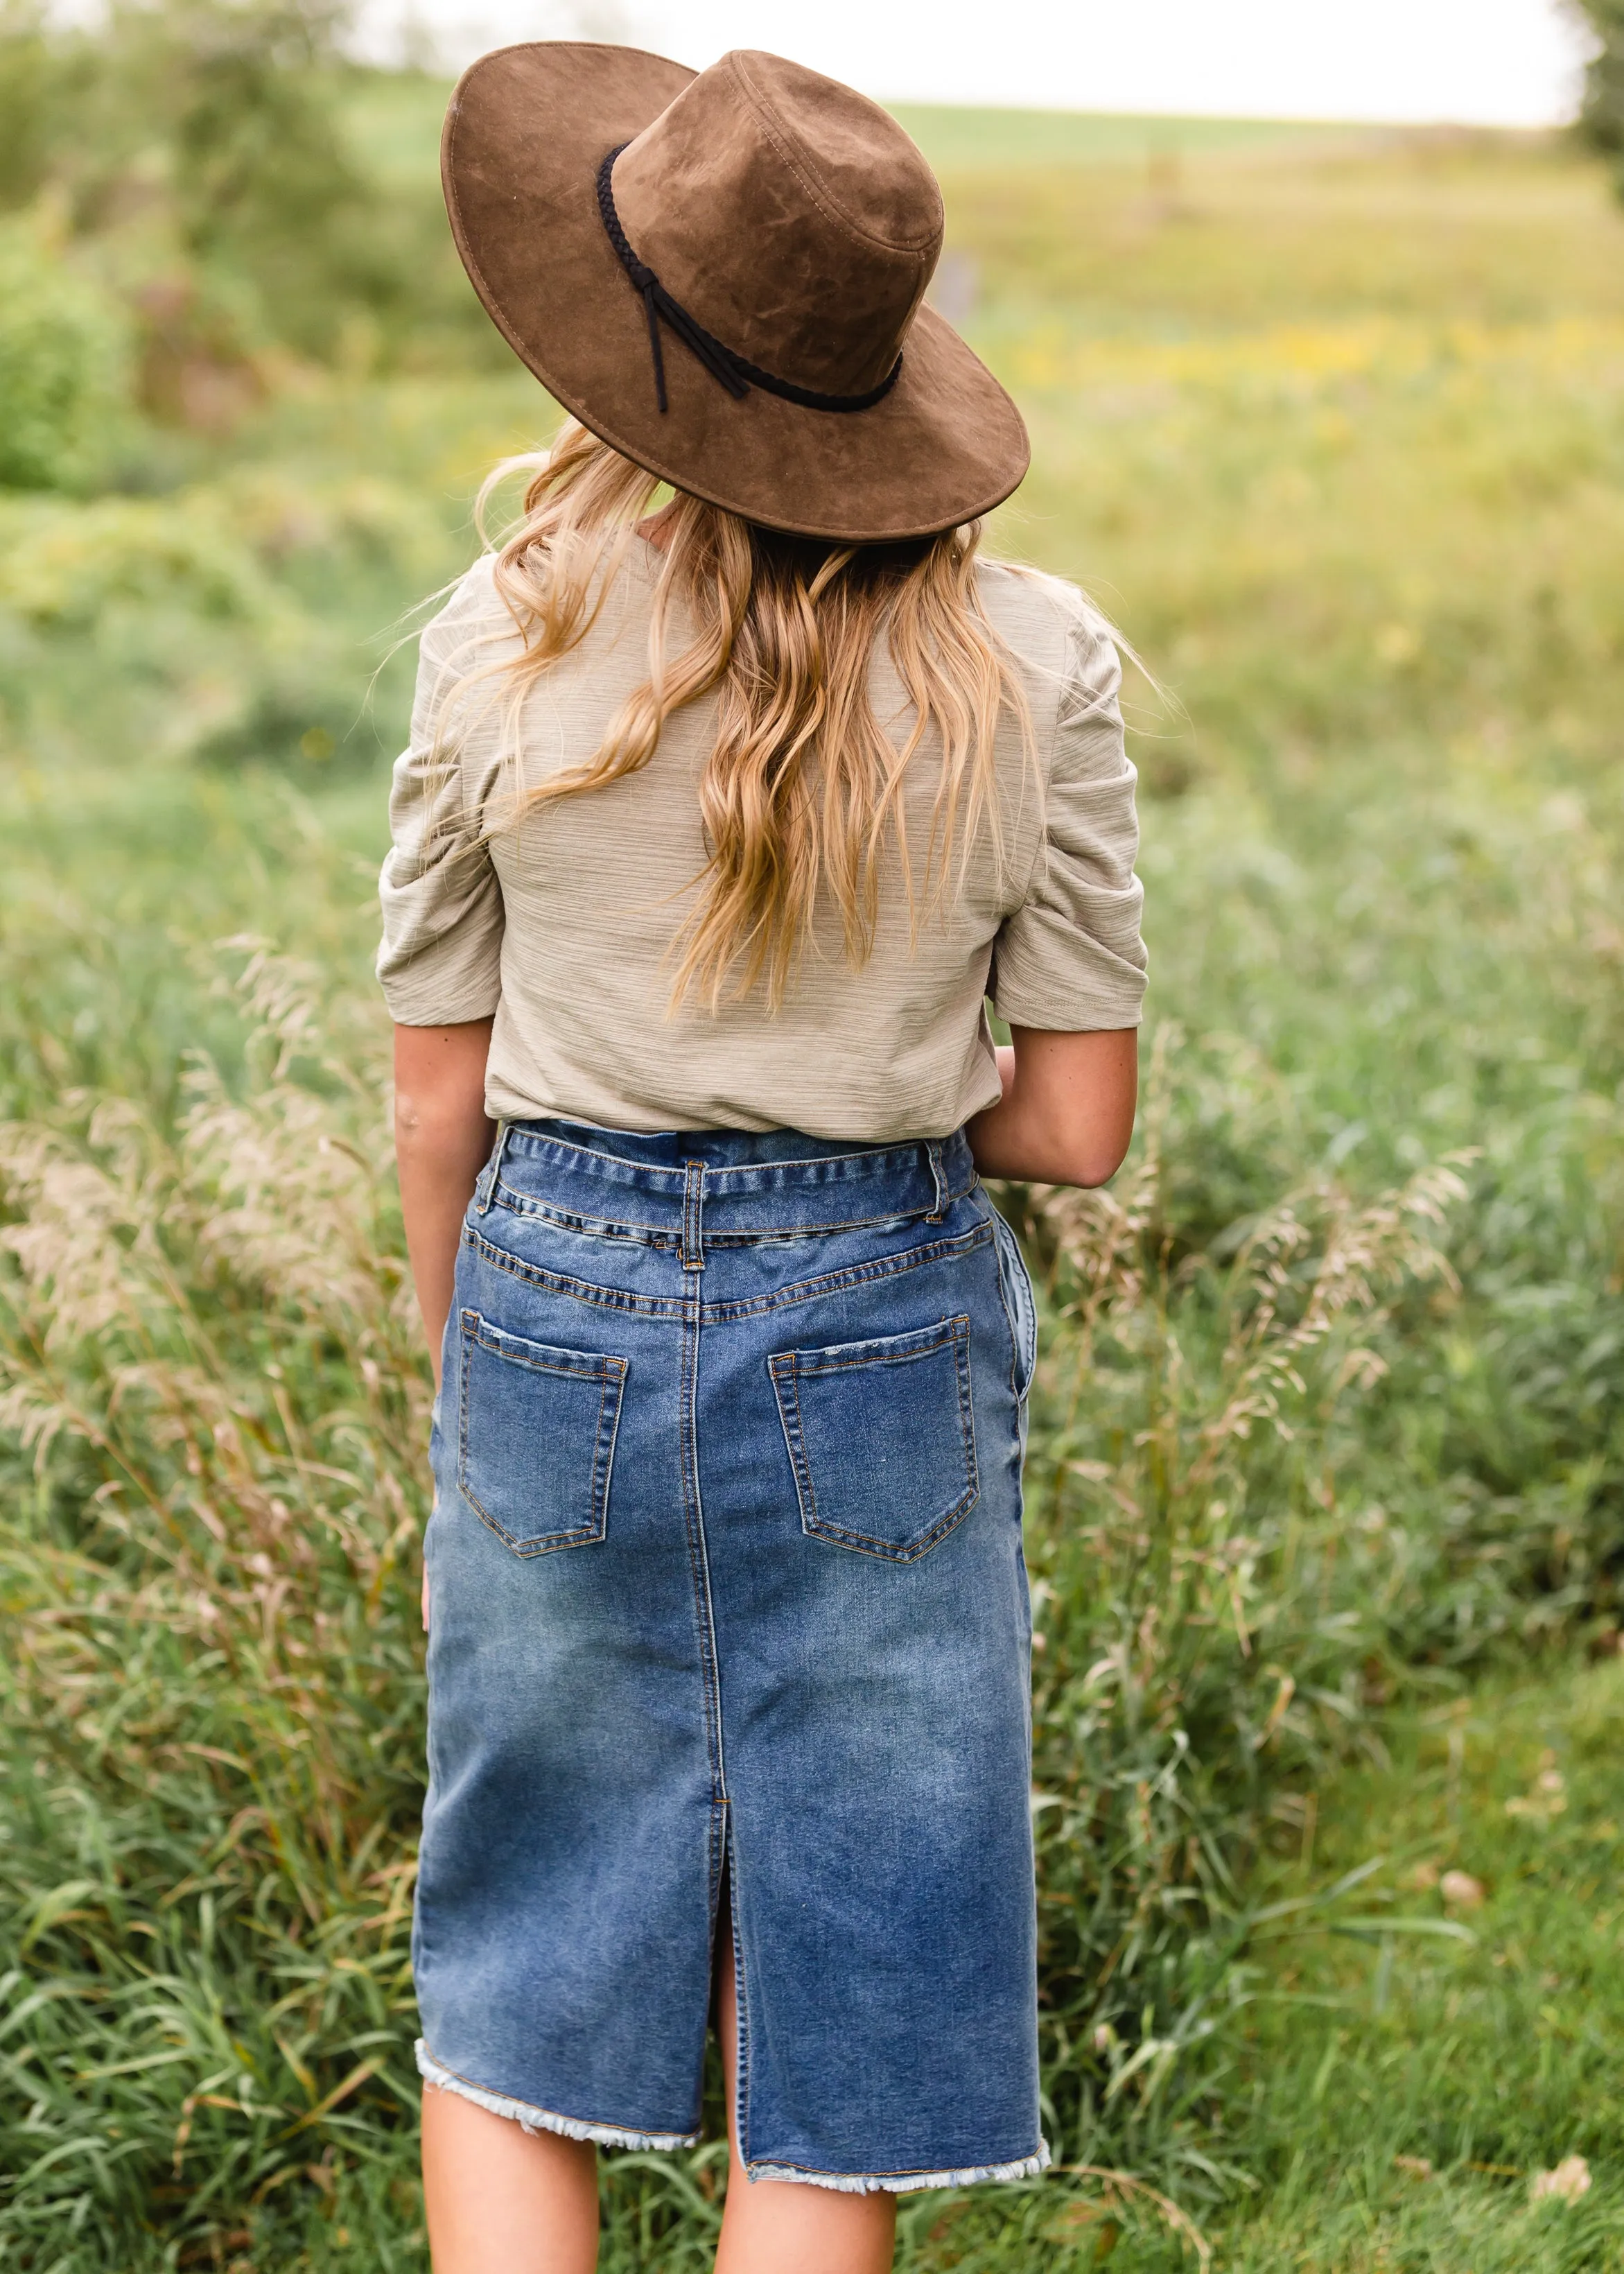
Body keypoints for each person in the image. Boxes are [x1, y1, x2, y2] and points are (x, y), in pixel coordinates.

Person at [378, 40, 1146, 2274]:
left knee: (520, 1962)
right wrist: (868, 1082)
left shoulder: (492, 632)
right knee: (849, 1992)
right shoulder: (1036, 659)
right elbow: (1075, 1129)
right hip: (882, 1326)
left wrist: (471, 1396)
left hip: (546, 1303)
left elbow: (440, 1094)